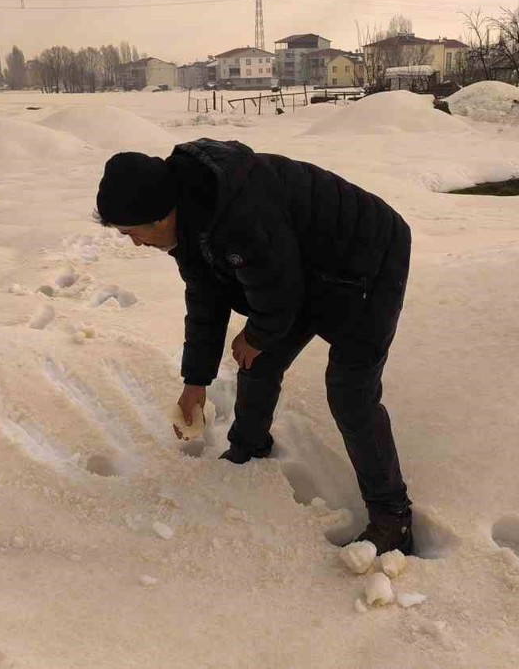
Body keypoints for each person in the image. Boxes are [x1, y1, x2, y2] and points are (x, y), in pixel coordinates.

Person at [95, 139, 414, 555]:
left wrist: (258, 335)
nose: (134, 243)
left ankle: (393, 516)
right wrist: (196, 381)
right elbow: (206, 300)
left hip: (367, 258)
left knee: (350, 391)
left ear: (159, 216)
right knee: (258, 360)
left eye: (132, 233)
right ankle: (249, 446)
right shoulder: (190, 217)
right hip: (301, 266)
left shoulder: (239, 212)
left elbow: (278, 291)